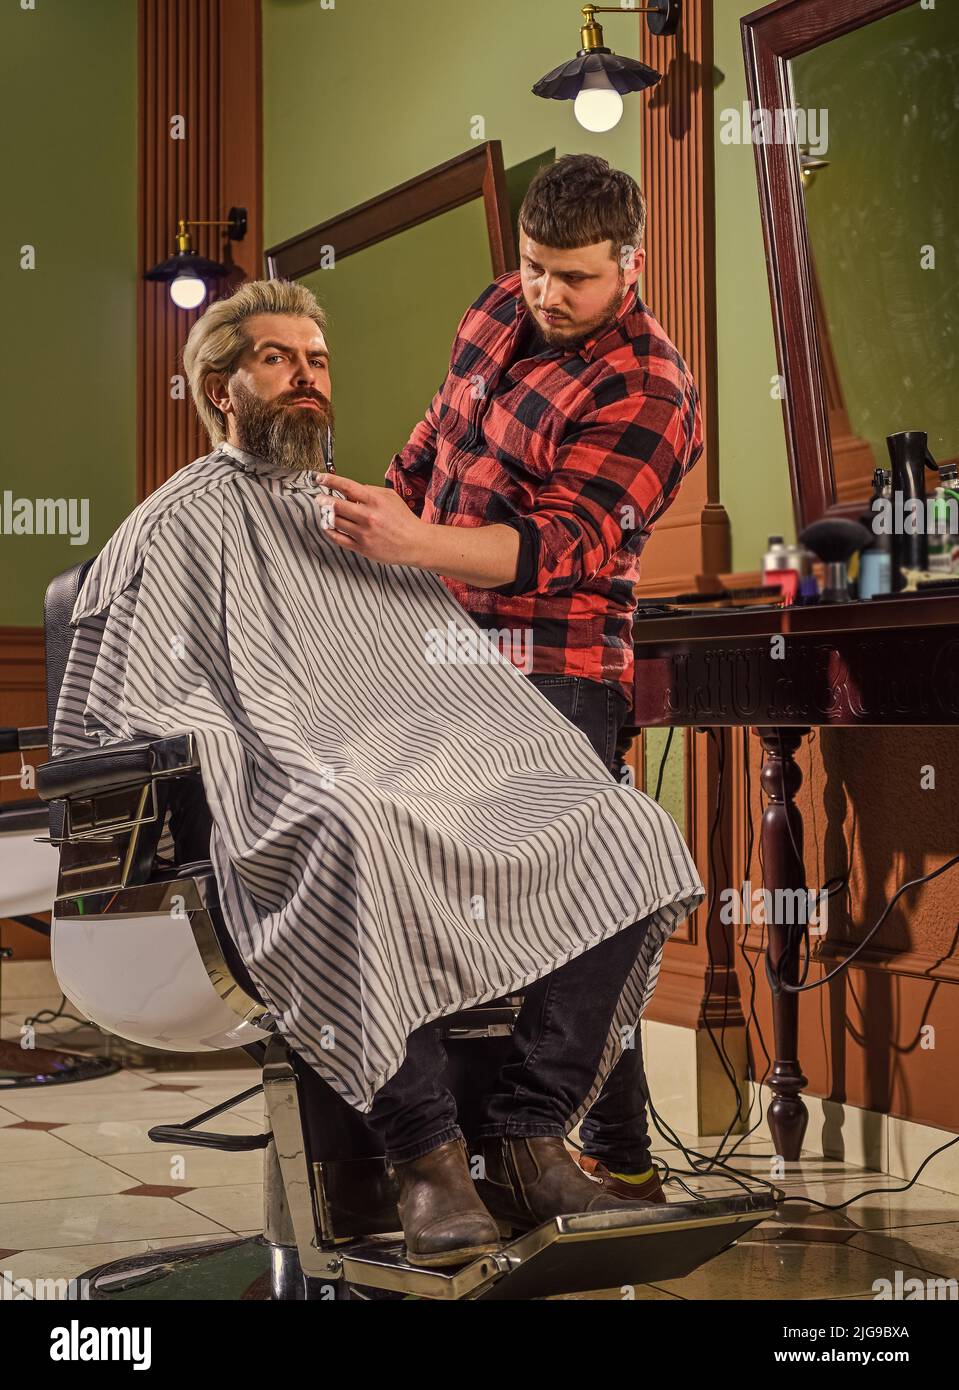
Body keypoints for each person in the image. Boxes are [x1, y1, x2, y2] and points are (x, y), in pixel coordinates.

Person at [54, 276, 704, 1270]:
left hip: (408, 769)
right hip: (286, 784)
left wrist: (460, 754)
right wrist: (265, 750)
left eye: (317, 361)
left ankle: (528, 1137)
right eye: (278, 359)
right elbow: (140, 699)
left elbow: (434, 677)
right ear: (221, 386)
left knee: (624, 826)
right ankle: (426, 1159)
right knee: (350, 822)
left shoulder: (361, 517)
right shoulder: (172, 525)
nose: (307, 378)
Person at [321, 155, 704, 1213]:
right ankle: (499, 1154)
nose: (545, 292)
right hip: (433, 658)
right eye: (534, 267)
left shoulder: (652, 388)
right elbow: (427, 447)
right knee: (385, 862)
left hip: (553, 674)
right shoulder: (494, 306)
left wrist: (411, 543)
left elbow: (554, 545)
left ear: (628, 263)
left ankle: (531, 1136)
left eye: (572, 277)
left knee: (592, 887)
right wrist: (369, 530)